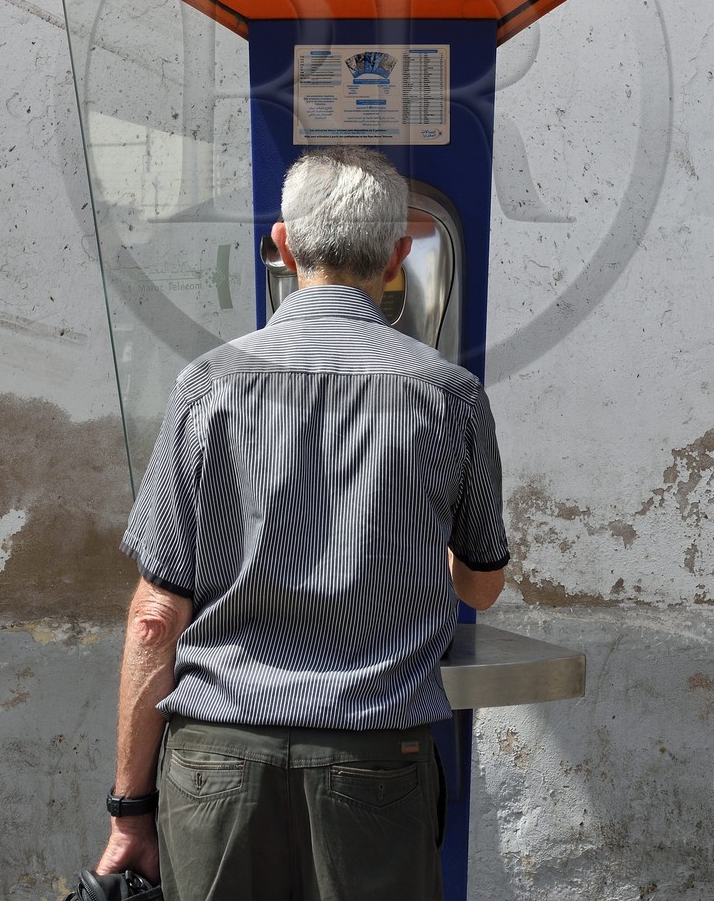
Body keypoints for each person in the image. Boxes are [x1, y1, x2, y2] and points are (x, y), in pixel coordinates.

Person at [96, 146, 509, 901]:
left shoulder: (206, 386)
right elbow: (480, 588)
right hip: (377, 759)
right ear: (398, 255)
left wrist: (130, 810)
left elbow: (156, 618)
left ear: (283, 246)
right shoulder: (450, 394)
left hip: (215, 762)